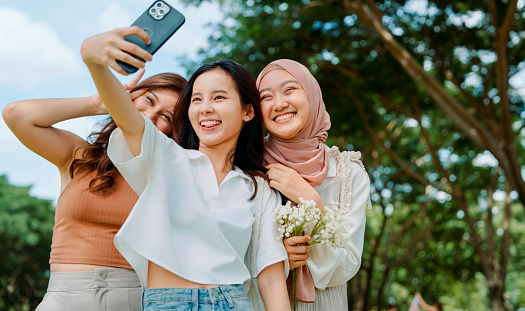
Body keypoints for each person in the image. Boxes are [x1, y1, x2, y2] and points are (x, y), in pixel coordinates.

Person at [80, 27, 291, 311]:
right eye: (196, 99)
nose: (205, 108)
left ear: (248, 111)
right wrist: (93, 61)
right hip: (168, 303)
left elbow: (272, 279)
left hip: (233, 302)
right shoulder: (167, 158)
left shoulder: (259, 188)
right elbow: (129, 119)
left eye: (218, 98)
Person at [3, 65, 186, 310]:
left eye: (166, 117)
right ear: (131, 95)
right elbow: (16, 114)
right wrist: (98, 102)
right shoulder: (79, 156)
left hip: (134, 300)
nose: (149, 115)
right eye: (148, 100)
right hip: (62, 299)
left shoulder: (167, 176)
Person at [257, 59, 372, 310]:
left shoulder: (347, 173)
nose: (279, 104)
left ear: (312, 94)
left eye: (289, 90)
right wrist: (276, 256)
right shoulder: (249, 166)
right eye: (266, 97)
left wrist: (311, 201)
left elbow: (348, 264)